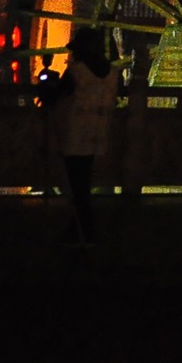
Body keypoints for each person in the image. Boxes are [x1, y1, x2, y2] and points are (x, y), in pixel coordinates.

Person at [46, 32, 120, 246]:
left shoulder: (77, 72)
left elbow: (55, 95)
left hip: (74, 135)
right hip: (97, 135)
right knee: (83, 182)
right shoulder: (113, 73)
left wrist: (46, 88)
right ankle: (79, 229)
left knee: (77, 186)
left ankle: (84, 232)